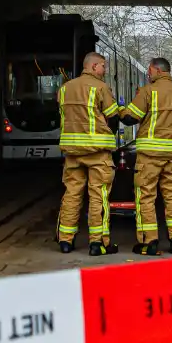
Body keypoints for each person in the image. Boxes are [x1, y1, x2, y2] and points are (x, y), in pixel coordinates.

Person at [120, 57, 172, 255]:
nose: (148, 74)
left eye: (149, 70)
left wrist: (119, 110)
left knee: (146, 197)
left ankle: (149, 241)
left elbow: (130, 118)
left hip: (149, 157)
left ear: (156, 70)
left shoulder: (147, 92)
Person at [56, 52, 122, 256]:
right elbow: (113, 117)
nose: (105, 70)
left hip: (72, 152)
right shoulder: (101, 87)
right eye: (103, 66)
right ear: (93, 66)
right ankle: (98, 243)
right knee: (98, 197)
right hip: (97, 152)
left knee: (71, 194)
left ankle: (65, 241)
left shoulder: (65, 88)